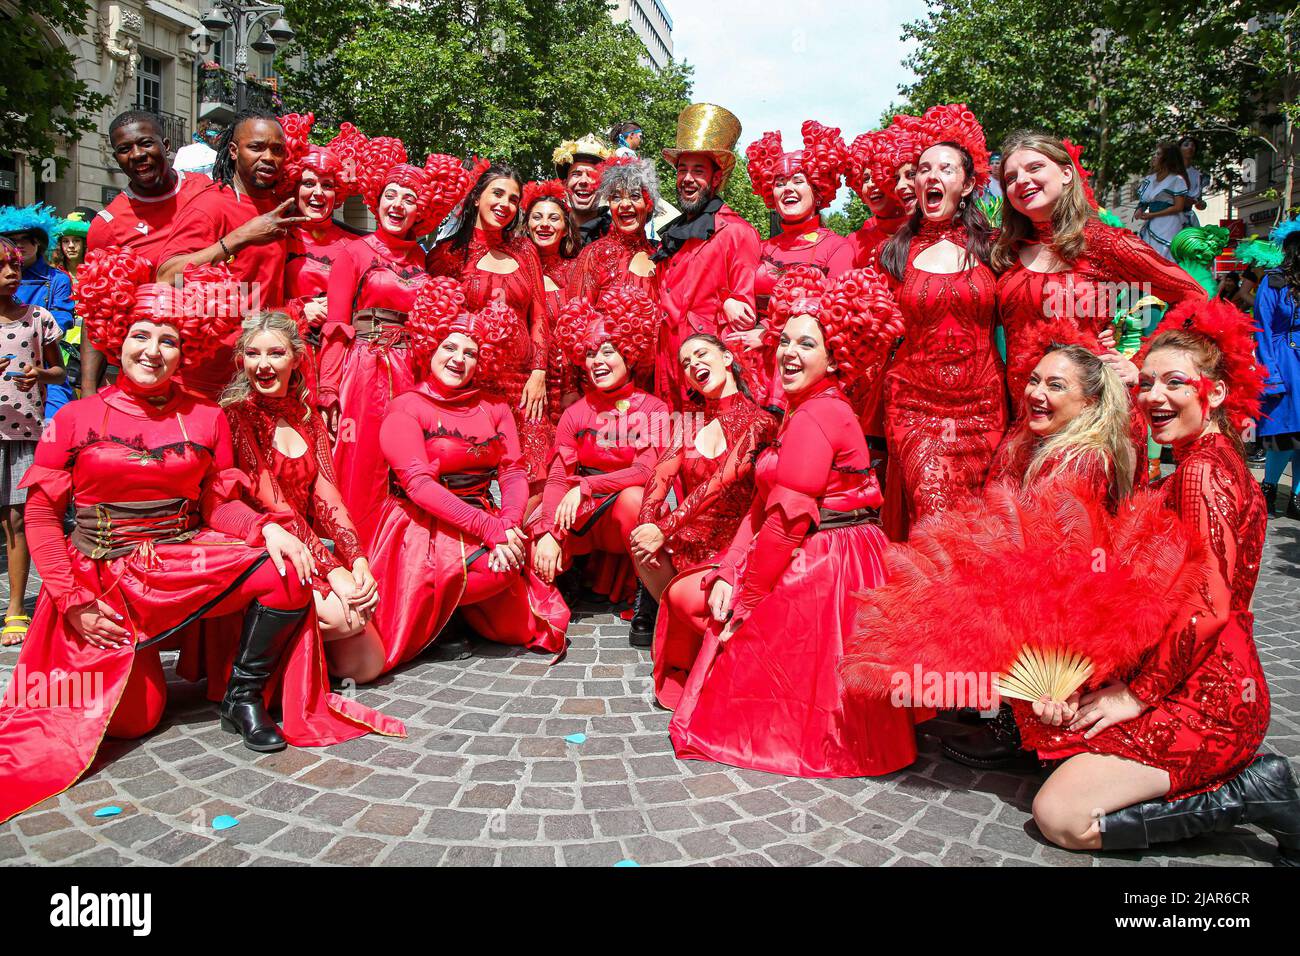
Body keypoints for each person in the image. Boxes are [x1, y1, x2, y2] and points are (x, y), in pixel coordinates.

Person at [0, 250, 322, 824]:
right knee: (137, 716)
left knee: (288, 572)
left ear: (186, 352)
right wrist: (72, 604)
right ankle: (134, 660)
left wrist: (266, 527)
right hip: (100, 581)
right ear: (115, 340)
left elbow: (217, 506)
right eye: (140, 336)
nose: (152, 351)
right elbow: (43, 518)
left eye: (168, 340)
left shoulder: (207, 417)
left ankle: (240, 696)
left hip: (174, 561)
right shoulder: (74, 418)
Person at [1021, 299, 1297, 865]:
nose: (1153, 397)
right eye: (1146, 383)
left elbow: (1209, 606)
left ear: (1214, 393)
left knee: (1062, 817)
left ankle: (1249, 794)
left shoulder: (1199, 474)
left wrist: (1135, 695)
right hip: (1200, 677)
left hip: (1208, 697)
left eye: (1175, 383)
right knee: (1055, 737)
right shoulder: (1205, 458)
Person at [669, 266, 916, 777]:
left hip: (828, 561)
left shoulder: (818, 414)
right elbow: (764, 509)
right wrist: (729, 570)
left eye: (807, 343)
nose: (789, 352)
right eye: (784, 339)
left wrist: (747, 599)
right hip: (814, 548)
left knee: (728, 624)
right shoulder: (802, 409)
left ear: (836, 354)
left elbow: (786, 522)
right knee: (702, 598)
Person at [939, 323, 1138, 768]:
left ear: (1088, 401)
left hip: (1071, 618)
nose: (1037, 392)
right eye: (1034, 380)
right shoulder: (1059, 447)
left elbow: (1062, 568)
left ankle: (1020, 728)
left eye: (1056, 385)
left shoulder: (1077, 462)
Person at [368, 278, 570, 674]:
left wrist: (509, 524)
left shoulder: (495, 406)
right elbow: (418, 486)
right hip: (422, 524)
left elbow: (512, 472)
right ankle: (442, 619)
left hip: (482, 513)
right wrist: (490, 530)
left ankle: (457, 610)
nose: (459, 359)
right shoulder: (405, 407)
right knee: (491, 568)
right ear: (431, 348)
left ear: (484, 361)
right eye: (450, 347)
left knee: (518, 625)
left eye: (471, 353)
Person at [992, 132, 1207, 488]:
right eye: (1011, 177)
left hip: (1091, 421)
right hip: (1024, 416)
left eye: (1034, 168)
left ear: (1066, 173)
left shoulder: (1104, 241)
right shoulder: (1006, 251)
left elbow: (1194, 297)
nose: (1022, 181)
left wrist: (1141, 364)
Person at [222, 311, 394, 692]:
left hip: (307, 543)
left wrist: (358, 561)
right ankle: (255, 668)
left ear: (296, 358)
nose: (263, 365)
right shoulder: (238, 416)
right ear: (242, 360)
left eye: (275, 354)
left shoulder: (307, 415)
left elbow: (327, 495)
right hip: (263, 543)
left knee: (367, 665)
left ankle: (297, 659)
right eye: (253, 354)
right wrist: (333, 571)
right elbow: (275, 505)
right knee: (343, 618)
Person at [319, 138, 470, 542]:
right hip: (363, 371)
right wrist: (328, 389)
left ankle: (397, 551)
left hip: (410, 373)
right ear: (377, 199)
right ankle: (355, 549)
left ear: (421, 211)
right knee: (361, 459)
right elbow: (336, 325)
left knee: (406, 464)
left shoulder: (423, 260)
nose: (398, 204)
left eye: (409, 198)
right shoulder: (353, 252)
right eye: (391, 195)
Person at [878, 104, 1007, 540]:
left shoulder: (995, 248)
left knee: (976, 530)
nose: (931, 176)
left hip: (984, 412)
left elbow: (1034, 302)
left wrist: (1103, 331)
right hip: (916, 409)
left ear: (968, 184)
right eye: (923, 169)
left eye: (945, 169)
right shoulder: (894, 253)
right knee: (933, 518)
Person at [634, 331, 777, 697]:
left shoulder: (759, 421)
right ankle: (696, 639)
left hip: (734, 549)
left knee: (681, 590)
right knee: (637, 536)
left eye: (701, 355)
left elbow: (720, 483)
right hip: (686, 544)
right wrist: (648, 522)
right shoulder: (689, 422)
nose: (693, 364)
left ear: (727, 359)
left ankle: (741, 654)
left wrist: (662, 529)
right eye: (685, 362)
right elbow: (662, 473)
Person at [530, 289, 668, 641]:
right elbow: (559, 476)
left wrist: (586, 486)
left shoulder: (653, 408)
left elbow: (645, 471)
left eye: (607, 351)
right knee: (535, 528)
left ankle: (646, 597)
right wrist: (548, 533)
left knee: (636, 499)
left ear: (630, 354)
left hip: (622, 506)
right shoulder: (575, 413)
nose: (597, 361)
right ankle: (570, 574)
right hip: (584, 515)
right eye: (590, 353)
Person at [157, 109, 305, 400]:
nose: (269, 157)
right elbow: (166, 277)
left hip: (262, 377)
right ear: (234, 151)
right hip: (208, 382)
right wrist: (239, 238)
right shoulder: (211, 205)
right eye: (256, 147)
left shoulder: (281, 208)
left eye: (277, 150)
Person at [427, 162, 554, 489]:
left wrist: (539, 372)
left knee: (536, 479)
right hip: (471, 386)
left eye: (513, 199)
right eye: (497, 193)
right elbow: (437, 324)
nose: (505, 204)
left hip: (524, 387)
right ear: (476, 197)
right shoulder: (448, 253)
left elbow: (539, 314)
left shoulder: (525, 250)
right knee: (471, 478)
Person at [83, 110, 213, 396]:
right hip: (151, 372)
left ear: (165, 146)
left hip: (217, 366)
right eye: (124, 149)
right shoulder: (108, 225)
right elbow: (96, 314)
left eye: (145, 143)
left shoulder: (208, 192)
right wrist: (89, 391)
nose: (137, 154)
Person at [655, 103, 760, 409]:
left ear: (715, 180)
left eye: (698, 171)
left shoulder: (736, 232)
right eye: (682, 170)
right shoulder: (671, 232)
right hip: (667, 373)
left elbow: (744, 317)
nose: (687, 178)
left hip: (708, 380)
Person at [745, 122, 854, 406]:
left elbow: (832, 317)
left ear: (818, 189)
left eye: (797, 180)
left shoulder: (837, 248)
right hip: (753, 370)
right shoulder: (760, 247)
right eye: (780, 182)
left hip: (804, 373)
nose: (787, 189)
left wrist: (769, 334)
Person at [0, 238, 65, 646]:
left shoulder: (38, 318)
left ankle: (16, 608)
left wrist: (40, 375)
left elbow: (60, 373)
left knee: (17, 521)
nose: (11, 273)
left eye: (16, 266)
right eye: (2, 267)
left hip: (23, 433)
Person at [277, 116, 364, 353]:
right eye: (308, 183)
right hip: (289, 355)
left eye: (327, 185)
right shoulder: (275, 237)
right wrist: (297, 310)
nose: (318, 193)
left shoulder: (357, 244)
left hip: (341, 356)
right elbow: (251, 303)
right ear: (294, 186)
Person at [565, 157, 662, 350]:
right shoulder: (594, 253)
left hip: (655, 373)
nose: (625, 204)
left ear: (648, 204)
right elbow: (575, 325)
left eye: (634, 196)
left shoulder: (661, 255)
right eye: (616, 197)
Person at [0, 204, 76, 417]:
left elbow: (62, 316)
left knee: (56, 421)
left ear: (38, 242)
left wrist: (34, 331)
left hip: (43, 362)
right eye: (13, 240)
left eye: (26, 239)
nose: (19, 245)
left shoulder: (57, 279)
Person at [520, 178, 582, 420]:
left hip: (570, 390)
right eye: (537, 217)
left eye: (553, 218)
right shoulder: (514, 272)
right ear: (526, 225)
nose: (544, 224)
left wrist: (572, 387)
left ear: (566, 228)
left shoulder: (578, 271)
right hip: (524, 386)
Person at [1253, 217, 1300, 517]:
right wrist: (1270, 373)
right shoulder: (1273, 281)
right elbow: (1263, 329)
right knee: (1285, 433)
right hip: (1284, 360)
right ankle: (1268, 488)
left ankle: (1297, 497)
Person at [553, 134, 614, 247]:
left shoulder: (615, 235)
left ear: (604, 185)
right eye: (576, 174)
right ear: (565, 183)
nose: (583, 181)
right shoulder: (549, 231)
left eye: (592, 175)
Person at [1135, 142, 1192, 261]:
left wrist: (1153, 214)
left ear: (1167, 158)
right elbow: (1144, 201)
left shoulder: (1177, 179)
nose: (1154, 157)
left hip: (1169, 224)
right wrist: (1139, 210)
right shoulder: (1149, 179)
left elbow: (1178, 207)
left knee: (1165, 258)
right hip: (1152, 224)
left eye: (1158, 154)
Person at [1179, 135, 1209, 228]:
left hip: (1188, 217)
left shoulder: (1199, 175)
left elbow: (1199, 201)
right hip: (1170, 217)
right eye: (1186, 145)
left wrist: (1201, 204)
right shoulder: (1170, 172)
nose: (1190, 147)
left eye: (1193, 146)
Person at [48, 213, 88, 279]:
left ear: (84, 244)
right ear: (60, 245)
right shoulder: (53, 273)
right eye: (66, 241)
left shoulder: (94, 271)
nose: (71, 245)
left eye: (76, 240)